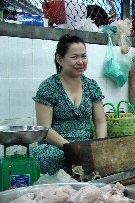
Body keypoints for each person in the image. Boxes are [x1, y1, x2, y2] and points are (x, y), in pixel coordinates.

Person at [32, 35, 107, 174]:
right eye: (74, 57)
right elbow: (45, 129)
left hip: (86, 146)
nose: (80, 62)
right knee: (49, 158)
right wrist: (71, 148)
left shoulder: (92, 86)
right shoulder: (49, 87)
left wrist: (99, 146)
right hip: (57, 147)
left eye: (84, 56)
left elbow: (101, 122)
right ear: (60, 59)